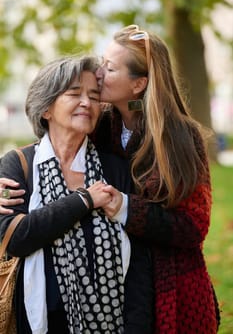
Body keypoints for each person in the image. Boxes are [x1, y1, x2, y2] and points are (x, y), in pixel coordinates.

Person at [0, 24, 220, 333]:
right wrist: (7, 171)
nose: (99, 75)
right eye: (102, 62)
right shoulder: (101, 126)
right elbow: (52, 143)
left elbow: (193, 226)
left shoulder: (178, 137)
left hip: (169, 283)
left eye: (110, 68)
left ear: (138, 84)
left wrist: (126, 207)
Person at [0, 55, 154, 333]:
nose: (87, 102)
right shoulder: (19, 164)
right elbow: (16, 238)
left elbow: (139, 265)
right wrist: (82, 200)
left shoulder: (115, 169)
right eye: (74, 93)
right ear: (46, 108)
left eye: (94, 96)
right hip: (40, 322)